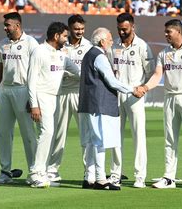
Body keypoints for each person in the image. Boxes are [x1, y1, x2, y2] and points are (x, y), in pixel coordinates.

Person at [142, 19, 182, 190]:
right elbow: (157, 75)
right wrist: (145, 87)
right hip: (169, 97)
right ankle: (169, 177)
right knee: (170, 138)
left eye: (169, 32)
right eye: (165, 32)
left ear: (178, 32)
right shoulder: (164, 53)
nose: (166, 35)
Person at [78, 27, 141, 190]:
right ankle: (100, 179)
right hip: (98, 104)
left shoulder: (88, 54)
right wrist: (132, 89)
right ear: (102, 41)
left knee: (92, 142)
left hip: (88, 103)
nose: (112, 42)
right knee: (99, 141)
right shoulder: (99, 56)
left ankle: (89, 177)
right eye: (110, 39)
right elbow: (112, 81)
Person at [0, 12, 39, 185]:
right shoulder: (4, 44)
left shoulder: (31, 43)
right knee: (3, 133)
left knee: (28, 133)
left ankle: (35, 171)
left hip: (23, 90)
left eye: (8, 25)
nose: (5, 28)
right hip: (5, 92)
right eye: (4, 25)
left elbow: (37, 71)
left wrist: (33, 97)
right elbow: (0, 69)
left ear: (17, 25)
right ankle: (5, 172)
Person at [27, 22, 80, 188]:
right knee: (46, 133)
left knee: (50, 134)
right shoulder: (39, 51)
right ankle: (36, 172)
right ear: (56, 36)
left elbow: (79, 72)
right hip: (41, 96)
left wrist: (98, 74)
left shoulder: (62, 55)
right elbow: (31, 81)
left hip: (55, 98)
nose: (67, 39)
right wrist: (33, 104)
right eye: (65, 36)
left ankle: (40, 172)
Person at [110, 13, 155, 188]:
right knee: (115, 136)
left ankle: (140, 176)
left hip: (135, 95)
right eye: (119, 29)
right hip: (116, 94)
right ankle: (115, 174)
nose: (122, 32)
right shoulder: (113, 45)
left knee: (138, 135)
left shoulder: (142, 46)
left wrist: (143, 88)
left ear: (133, 27)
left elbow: (151, 72)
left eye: (125, 29)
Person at [47, 15, 92, 183]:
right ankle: (52, 170)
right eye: (76, 29)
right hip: (62, 92)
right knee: (58, 134)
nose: (79, 32)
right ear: (69, 28)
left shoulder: (88, 46)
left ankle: (89, 170)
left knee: (86, 134)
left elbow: (86, 71)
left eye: (82, 28)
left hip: (81, 94)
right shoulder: (61, 45)